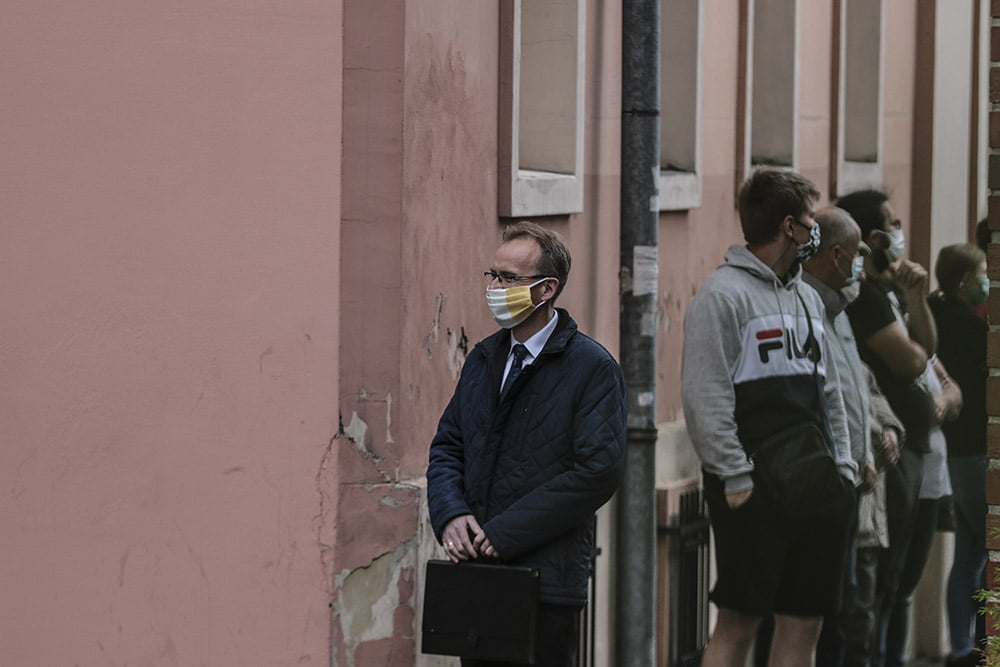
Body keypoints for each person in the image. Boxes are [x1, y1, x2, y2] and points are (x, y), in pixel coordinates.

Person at [426, 221, 627, 667]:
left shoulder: (592, 368)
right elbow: (448, 446)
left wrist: (503, 534)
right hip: (477, 575)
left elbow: (598, 471)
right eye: (493, 276)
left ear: (546, 289)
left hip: (546, 583)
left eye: (509, 278)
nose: (495, 288)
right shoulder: (483, 358)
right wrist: (450, 514)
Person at [682, 168, 857, 667]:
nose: (814, 229)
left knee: (805, 621)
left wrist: (843, 467)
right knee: (739, 621)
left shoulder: (807, 297)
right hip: (752, 489)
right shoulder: (721, 295)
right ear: (788, 227)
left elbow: (829, 392)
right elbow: (705, 395)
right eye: (809, 220)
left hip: (816, 483)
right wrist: (735, 475)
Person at [837, 189, 937, 667]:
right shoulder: (865, 300)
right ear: (873, 238)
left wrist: (915, 296)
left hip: (907, 444)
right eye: (893, 224)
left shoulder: (889, 291)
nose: (900, 232)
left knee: (895, 578)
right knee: (874, 585)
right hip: (886, 451)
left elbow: (928, 348)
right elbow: (912, 361)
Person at [800, 207, 876, 667]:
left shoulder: (840, 310)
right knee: (822, 613)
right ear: (835, 255)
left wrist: (863, 452)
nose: (861, 264)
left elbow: (853, 390)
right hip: (820, 486)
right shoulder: (804, 309)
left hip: (849, 480)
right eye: (856, 253)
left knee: (847, 605)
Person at [929, 243, 989, 667]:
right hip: (973, 452)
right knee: (984, 552)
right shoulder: (969, 328)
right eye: (983, 272)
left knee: (968, 554)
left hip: (952, 451)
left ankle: (961, 646)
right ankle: (980, 647)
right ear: (966, 280)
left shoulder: (933, 316)